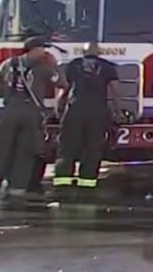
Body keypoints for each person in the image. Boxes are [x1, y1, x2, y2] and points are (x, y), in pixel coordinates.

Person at [0, 35, 60, 210]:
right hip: (30, 114)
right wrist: (54, 67)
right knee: (25, 154)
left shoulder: (8, 64)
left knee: (0, 154)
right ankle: (16, 197)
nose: (44, 52)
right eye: (42, 49)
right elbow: (62, 82)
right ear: (34, 49)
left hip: (8, 112)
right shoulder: (43, 68)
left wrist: (10, 97)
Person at [52, 41, 119, 201]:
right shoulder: (108, 66)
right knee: (93, 149)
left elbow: (65, 88)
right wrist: (119, 110)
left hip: (74, 111)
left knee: (67, 148)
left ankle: (62, 186)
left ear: (83, 52)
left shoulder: (74, 65)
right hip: (97, 112)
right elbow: (115, 91)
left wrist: (58, 107)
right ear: (99, 52)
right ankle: (87, 186)